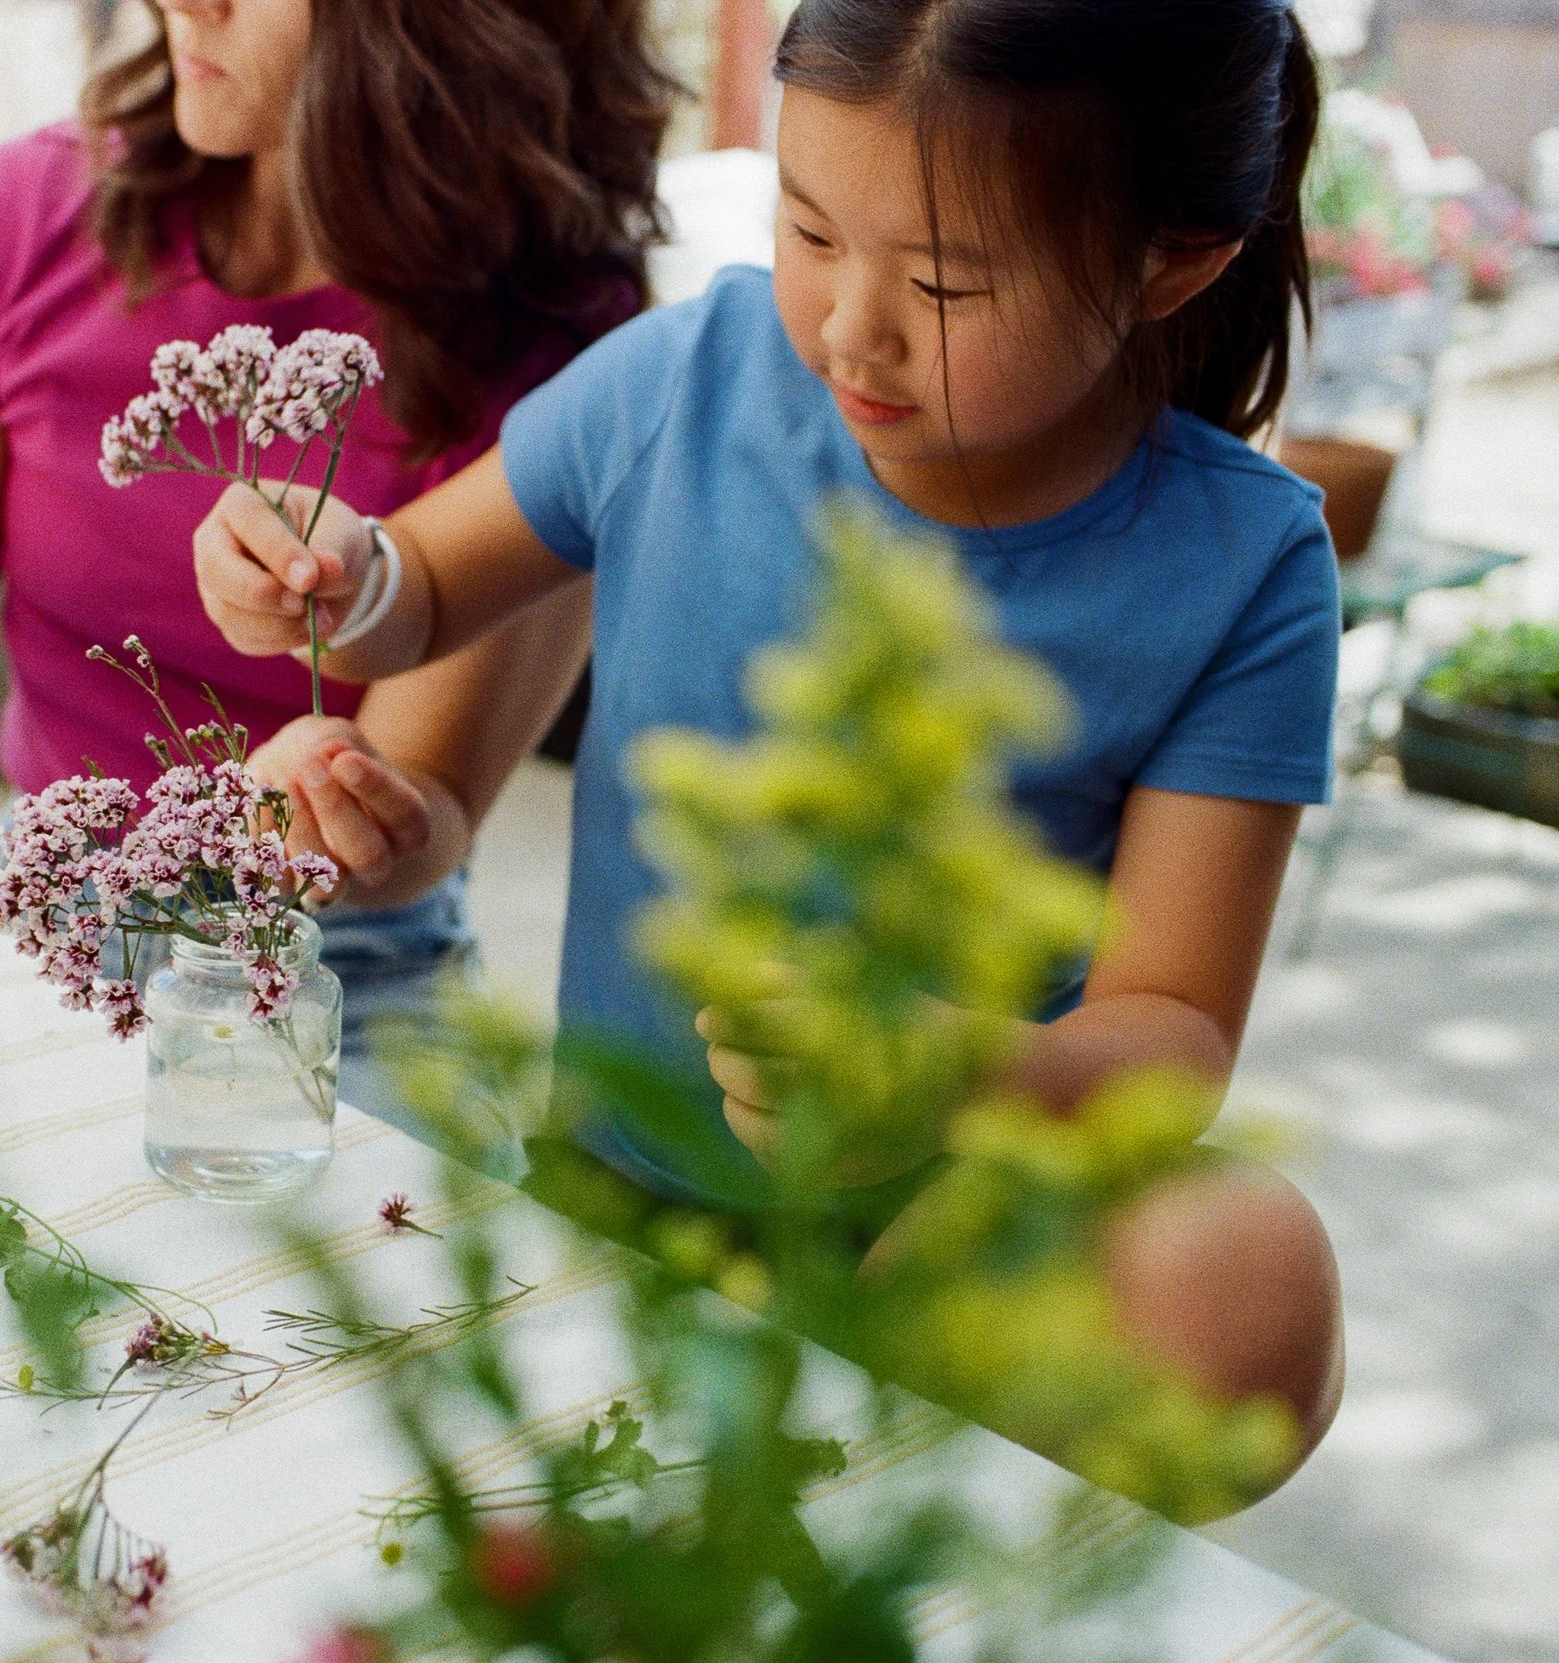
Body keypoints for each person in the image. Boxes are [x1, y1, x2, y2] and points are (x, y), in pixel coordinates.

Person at [187, 0, 1345, 1487]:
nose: (851, 328)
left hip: (949, 1243)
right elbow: (410, 595)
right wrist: (323, 570)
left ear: (1170, 259)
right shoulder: (696, 377)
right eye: (809, 231)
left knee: (1249, 1268)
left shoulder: (1242, 564)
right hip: (621, 1187)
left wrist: (936, 1071)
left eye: (945, 281)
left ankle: (887, 1467)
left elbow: (1174, 1029)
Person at [0, 0, 672, 1120]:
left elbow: (431, 808)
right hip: (44, 910)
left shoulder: (562, 351)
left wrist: (326, 820)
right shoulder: (27, 213)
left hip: (337, 973)